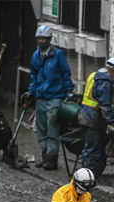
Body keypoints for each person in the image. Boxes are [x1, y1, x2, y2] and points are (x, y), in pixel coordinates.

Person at [25, 25, 74, 171]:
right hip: (41, 96)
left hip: (55, 96)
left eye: (44, 39)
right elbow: (33, 76)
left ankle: (52, 158)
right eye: (39, 38)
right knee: (41, 127)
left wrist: (69, 91)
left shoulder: (57, 55)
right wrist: (30, 92)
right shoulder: (35, 56)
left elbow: (66, 73)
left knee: (52, 126)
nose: (41, 41)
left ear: (49, 40)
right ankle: (44, 154)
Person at [78, 56, 114, 178]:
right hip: (93, 119)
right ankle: (87, 178)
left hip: (84, 115)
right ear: (113, 69)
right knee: (93, 150)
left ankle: (84, 175)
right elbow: (104, 104)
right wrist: (109, 123)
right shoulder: (105, 80)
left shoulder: (93, 75)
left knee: (88, 148)